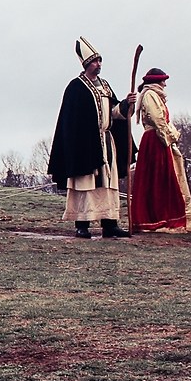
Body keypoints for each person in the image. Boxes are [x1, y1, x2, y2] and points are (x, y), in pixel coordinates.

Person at [48, 38, 134, 238]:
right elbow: (71, 122)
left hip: (106, 142)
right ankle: (82, 224)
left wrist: (125, 105)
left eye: (100, 61)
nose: (99, 65)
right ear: (87, 64)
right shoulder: (76, 87)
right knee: (86, 183)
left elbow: (113, 112)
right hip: (85, 144)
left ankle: (110, 223)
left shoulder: (104, 86)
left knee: (108, 184)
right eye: (95, 62)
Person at [127, 67, 191, 233]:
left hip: (159, 138)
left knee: (164, 179)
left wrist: (173, 135)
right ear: (157, 81)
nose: (165, 84)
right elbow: (158, 119)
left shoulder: (156, 95)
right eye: (163, 80)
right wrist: (170, 137)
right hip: (156, 140)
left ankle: (165, 216)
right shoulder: (150, 94)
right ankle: (156, 218)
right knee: (158, 178)